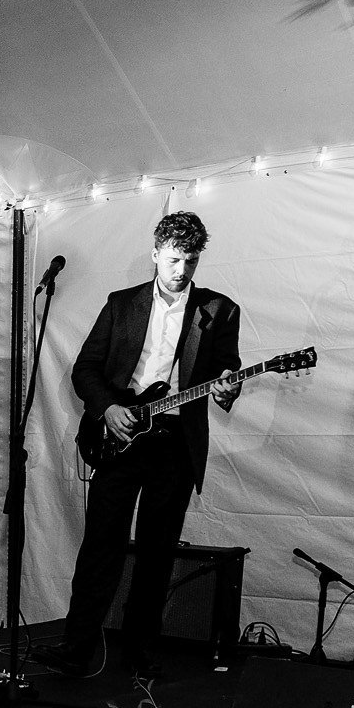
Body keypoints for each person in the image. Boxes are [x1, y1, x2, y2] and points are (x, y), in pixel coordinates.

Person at [33, 211, 241, 680]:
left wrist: (229, 386)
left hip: (174, 444)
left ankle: (138, 651)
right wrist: (108, 409)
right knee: (100, 546)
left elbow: (226, 371)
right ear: (155, 254)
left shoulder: (220, 310)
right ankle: (76, 646)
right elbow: (85, 369)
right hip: (122, 437)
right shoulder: (121, 304)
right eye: (173, 258)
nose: (181, 270)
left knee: (156, 552)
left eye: (190, 260)